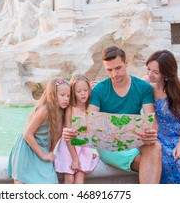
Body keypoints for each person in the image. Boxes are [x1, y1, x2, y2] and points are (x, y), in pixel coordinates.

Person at [63, 46, 162, 184]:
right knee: (149, 163)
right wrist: (72, 132)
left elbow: (151, 120)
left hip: (135, 139)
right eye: (109, 70)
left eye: (118, 68)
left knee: (155, 146)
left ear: (126, 63)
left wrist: (151, 133)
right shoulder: (100, 89)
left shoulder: (143, 87)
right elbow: (89, 120)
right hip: (108, 145)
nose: (114, 74)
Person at [144, 50, 180, 183]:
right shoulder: (147, 85)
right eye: (148, 69)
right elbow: (126, 85)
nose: (150, 75)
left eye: (155, 72)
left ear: (166, 74)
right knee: (165, 162)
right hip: (160, 136)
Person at [8, 78, 70, 184]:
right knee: (22, 181)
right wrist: (43, 155)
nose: (66, 99)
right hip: (27, 147)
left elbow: (57, 136)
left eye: (68, 96)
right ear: (53, 95)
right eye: (62, 95)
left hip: (42, 148)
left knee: (51, 181)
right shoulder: (45, 110)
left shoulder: (62, 111)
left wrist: (50, 152)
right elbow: (27, 134)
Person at [54, 74, 99, 184]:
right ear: (73, 92)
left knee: (80, 178)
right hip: (69, 147)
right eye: (79, 91)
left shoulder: (91, 107)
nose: (83, 93)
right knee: (69, 177)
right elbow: (68, 135)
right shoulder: (70, 109)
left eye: (85, 90)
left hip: (84, 147)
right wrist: (74, 158)